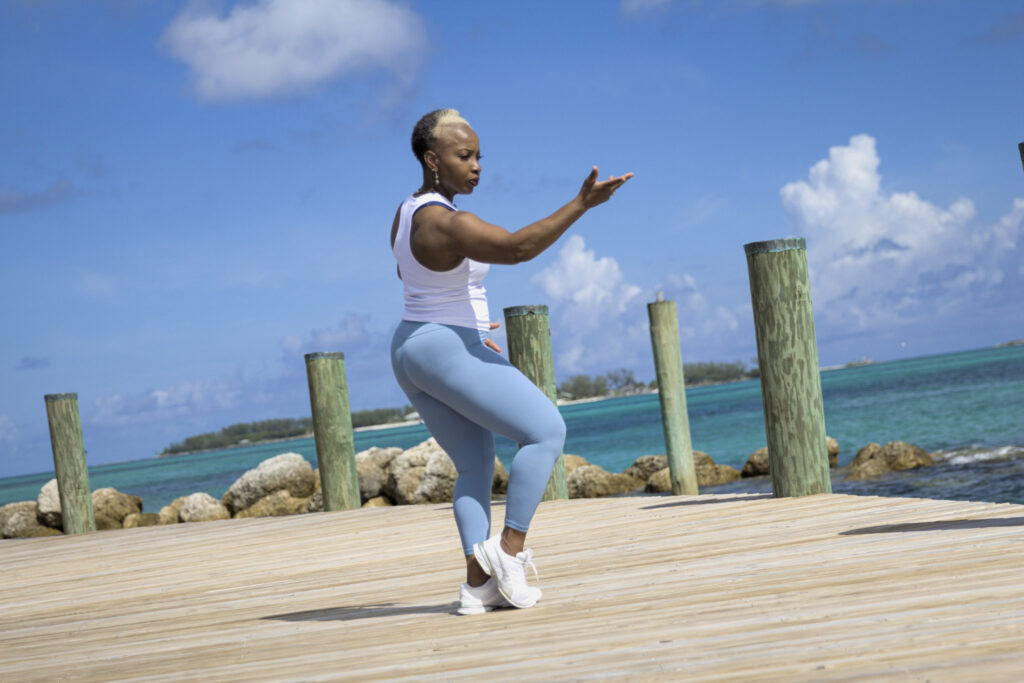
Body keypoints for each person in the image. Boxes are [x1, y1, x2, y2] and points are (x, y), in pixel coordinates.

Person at [389, 108, 633, 615]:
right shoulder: (450, 221)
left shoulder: (407, 211)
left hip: (413, 347)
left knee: (475, 465)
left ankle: (477, 586)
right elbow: (518, 249)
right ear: (433, 160)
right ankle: (509, 553)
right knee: (546, 431)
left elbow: (411, 276)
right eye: (465, 156)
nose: (477, 166)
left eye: (479, 156)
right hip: (442, 347)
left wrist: (470, 321)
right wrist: (581, 204)